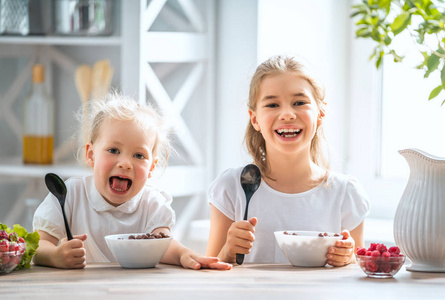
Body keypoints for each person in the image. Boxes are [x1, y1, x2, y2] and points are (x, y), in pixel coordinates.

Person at [33, 92, 232, 270]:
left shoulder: (153, 204)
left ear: (152, 167)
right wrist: (55, 256)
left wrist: (183, 254)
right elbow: (37, 246)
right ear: (91, 155)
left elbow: (162, 246)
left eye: (138, 155)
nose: (125, 163)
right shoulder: (69, 195)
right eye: (113, 150)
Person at [206, 55, 369, 266]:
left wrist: (348, 259)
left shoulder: (346, 194)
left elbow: (360, 271)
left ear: (320, 113)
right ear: (254, 119)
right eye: (272, 104)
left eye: (299, 102)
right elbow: (210, 269)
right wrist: (228, 251)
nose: (287, 114)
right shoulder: (231, 187)